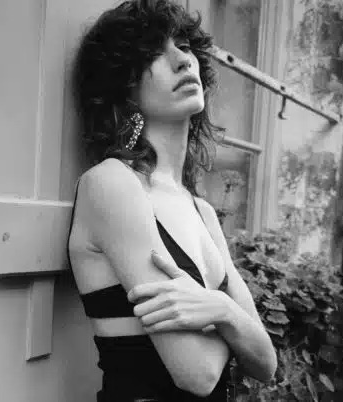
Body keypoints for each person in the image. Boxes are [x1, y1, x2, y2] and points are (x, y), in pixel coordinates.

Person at [67, 1, 277, 401]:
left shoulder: (202, 211)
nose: (183, 60)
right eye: (154, 53)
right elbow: (197, 374)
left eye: (183, 46)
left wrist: (221, 310)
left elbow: (266, 364)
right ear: (124, 86)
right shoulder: (112, 184)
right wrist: (234, 318)